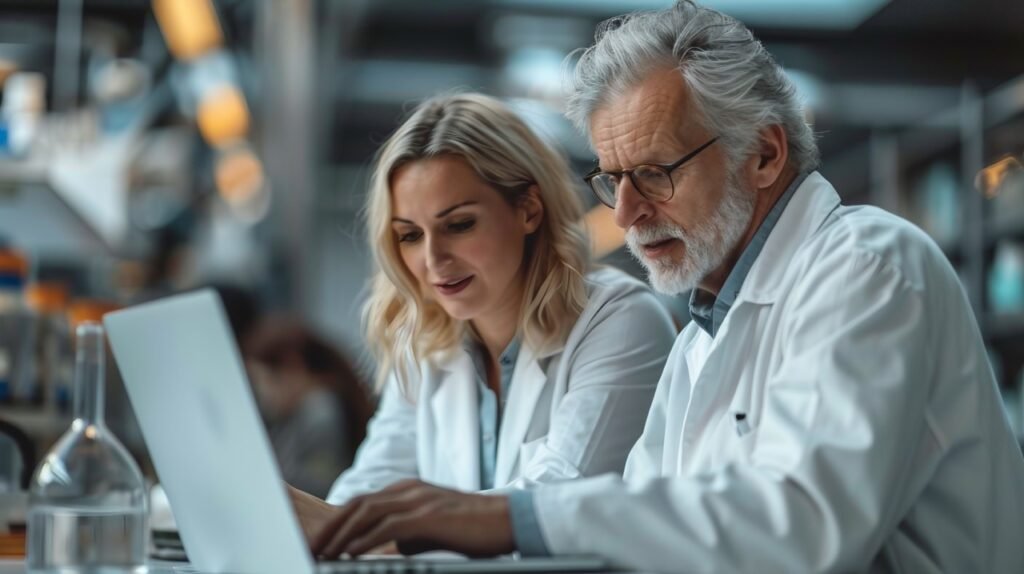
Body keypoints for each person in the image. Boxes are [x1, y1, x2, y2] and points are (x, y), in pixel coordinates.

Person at [300, 3, 1024, 572]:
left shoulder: (868, 265)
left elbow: (803, 525)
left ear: (765, 153)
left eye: (656, 172)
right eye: (613, 179)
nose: (625, 212)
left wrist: (506, 519)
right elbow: (646, 535)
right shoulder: (701, 339)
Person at [290, 93, 676, 536]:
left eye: (458, 225)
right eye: (410, 235)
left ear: (528, 210)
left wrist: (348, 530)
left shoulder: (622, 322)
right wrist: (315, 521)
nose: (434, 259)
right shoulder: (426, 341)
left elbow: (554, 503)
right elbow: (373, 481)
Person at [245, 316, 375, 498]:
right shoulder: (295, 412)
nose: (263, 394)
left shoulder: (321, 410)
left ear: (292, 366)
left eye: (264, 381)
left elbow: (317, 486)